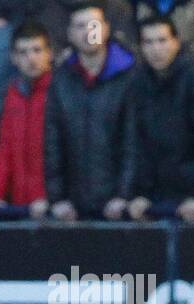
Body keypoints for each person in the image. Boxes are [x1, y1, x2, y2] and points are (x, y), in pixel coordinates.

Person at [44, 2, 138, 220]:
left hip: (117, 206)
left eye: (94, 25)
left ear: (106, 29)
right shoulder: (61, 79)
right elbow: (52, 141)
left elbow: (132, 141)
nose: (88, 32)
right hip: (72, 207)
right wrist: (57, 198)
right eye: (80, 26)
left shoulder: (129, 76)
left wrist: (124, 194)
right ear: (69, 34)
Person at [127, 15, 194, 222]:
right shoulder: (136, 83)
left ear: (176, 41)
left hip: (193, 197)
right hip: (153, 195)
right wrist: (137, 193)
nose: (156, 49)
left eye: (162, 40)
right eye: (149, 42)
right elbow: (134, 143)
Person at [0, 20, 52, 220]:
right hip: (21, 207)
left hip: (54, 208)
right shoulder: (13, 95)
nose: (31, 58)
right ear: (13, 58)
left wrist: (52, 198)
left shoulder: (61, 93)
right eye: (23, 52)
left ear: (49, 54)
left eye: (37, 50)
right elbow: (5, 152)